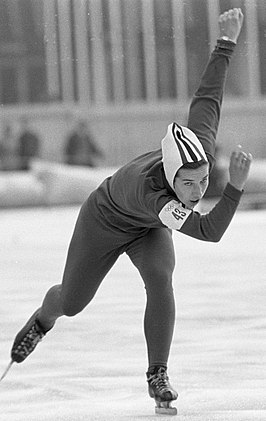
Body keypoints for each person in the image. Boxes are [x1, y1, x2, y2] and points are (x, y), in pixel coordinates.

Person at [7, 9, 251, 415]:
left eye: (203, 181)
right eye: (188, 185)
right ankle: (42, 319)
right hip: (105, 219)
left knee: (160, 276)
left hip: (147, 228)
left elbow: (208, 97)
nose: (197, 192)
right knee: (73, 302)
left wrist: (225, 44)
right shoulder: (155, 195)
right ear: (172, 179)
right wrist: (237, 188)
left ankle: (158, 372)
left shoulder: (198, 152)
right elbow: (209, 231)